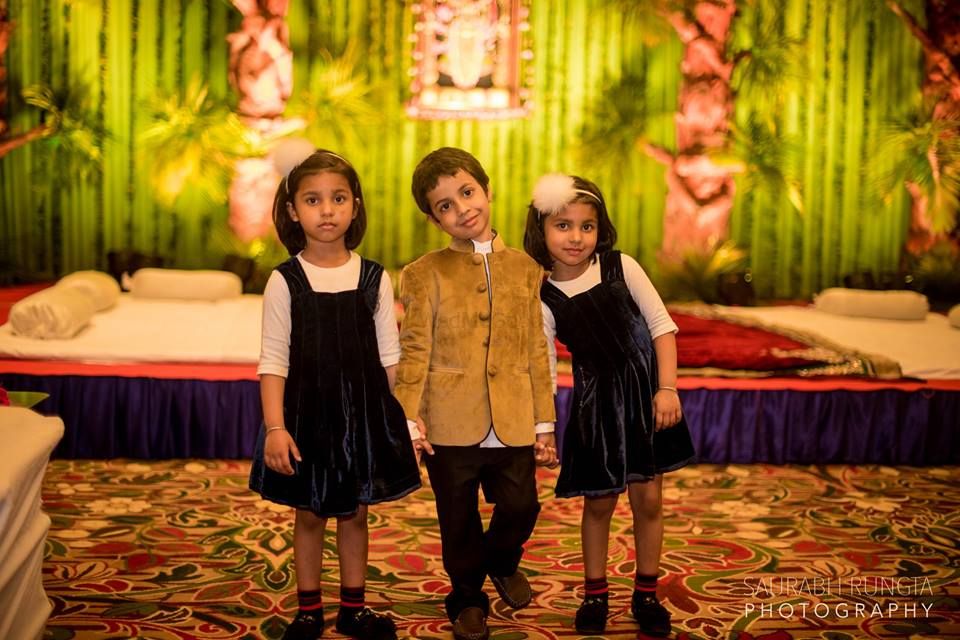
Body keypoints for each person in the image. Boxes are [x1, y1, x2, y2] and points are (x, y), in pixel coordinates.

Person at [249, 149, 421, 640]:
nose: (326, 210)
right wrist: (276, 428)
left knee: (355, 513)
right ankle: (308, 611)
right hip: (306, 419)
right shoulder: (284, 281)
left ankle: (353, 608)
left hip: (362, 417)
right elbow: (273, 360)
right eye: (313, 199)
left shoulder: (375, 277)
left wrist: (405, 420)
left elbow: (391, 357)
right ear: (292, 211)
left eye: (338, 198)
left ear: (355, 206)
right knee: (309, 514)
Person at [394, 147, 558, 640]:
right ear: (433, 218)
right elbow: (414, 348)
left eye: (467, 192)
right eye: (445, 205)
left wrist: (544, 422)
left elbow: (535, 348)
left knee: (522, 505)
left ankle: (503, 560)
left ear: (487, 191)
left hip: (513, 416)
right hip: (447, 420)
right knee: (457, 518)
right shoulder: (424, 273)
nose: (462, 208)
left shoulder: (527, 269)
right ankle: (466, 597)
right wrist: (408, 418)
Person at [523, 173, 696, 637]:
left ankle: (645, 593)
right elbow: (544, 368)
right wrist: (545, 428)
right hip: (597, 407)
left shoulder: (621, 266)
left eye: (586, 226)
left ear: (601, 229)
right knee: (598, 504)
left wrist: (668, 388)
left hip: (646, 399)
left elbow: (662, 327)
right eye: (563, 226)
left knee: (649, 498)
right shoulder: (543, 296)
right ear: (541, 231)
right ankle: (595, 594)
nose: (576, 237)